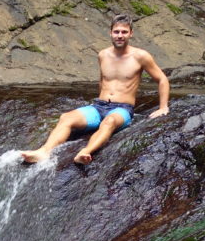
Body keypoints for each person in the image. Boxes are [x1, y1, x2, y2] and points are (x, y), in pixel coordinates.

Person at [20, 13, 169, 165]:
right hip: (99, 106)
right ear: (110, 32)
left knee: (109, 122)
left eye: (124, 32)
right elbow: (103, 81)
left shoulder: (141, 56)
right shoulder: (103, 55)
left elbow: (162, 79)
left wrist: (163, 107)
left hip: (122, 109)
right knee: (66, 118)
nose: (120, 36)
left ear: (131, 33)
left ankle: (85, 152)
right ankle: (44, 152)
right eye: (116, 32)